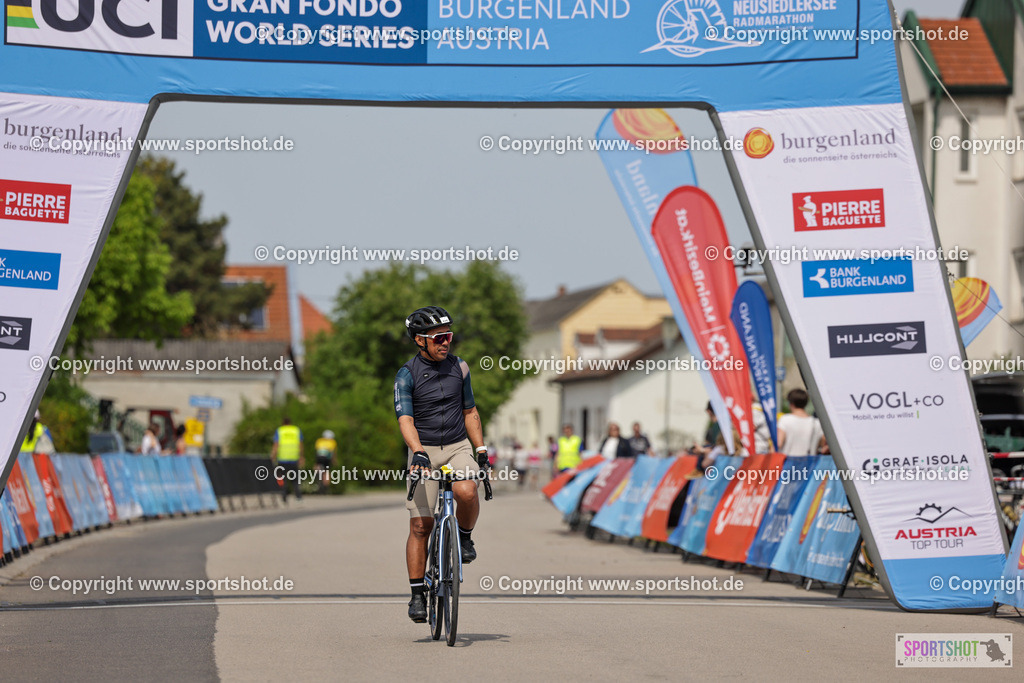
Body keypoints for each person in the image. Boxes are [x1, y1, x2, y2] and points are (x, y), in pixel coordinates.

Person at [395, 306, 488, 623]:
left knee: (466, 490)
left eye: (449, 336)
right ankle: (417, 594)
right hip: (424, 449)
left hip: (457, 446)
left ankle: (464, 536)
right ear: (420, 341)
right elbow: (405, 419)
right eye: (439, 338)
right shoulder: (406, 375)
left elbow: (470, 412)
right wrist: (417, 451)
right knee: (421, 525)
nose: (446, 342)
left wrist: (481, 448)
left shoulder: (460, 368)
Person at [777, 388, 825, 456]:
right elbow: (823, 445)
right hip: (810, 464)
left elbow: (779, 443)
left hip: (788, 462)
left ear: (791, 403)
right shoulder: (816, 423)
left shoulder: (785, 419)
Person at [272, 417, 303, 502]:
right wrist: (301, 457)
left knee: (282, 478)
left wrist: (273, 456)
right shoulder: (296, 430)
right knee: (295, 479)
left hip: (282, 458)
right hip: (294, 458)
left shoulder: (280, 431)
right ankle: (298, 496)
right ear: (290, 422)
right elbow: (300, 445)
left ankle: (284, 495)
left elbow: (276, 444)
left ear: (282, 422)